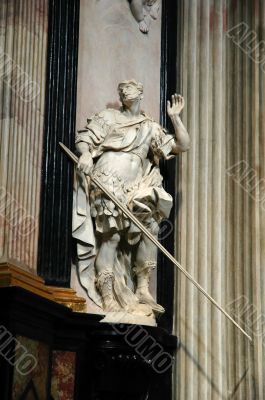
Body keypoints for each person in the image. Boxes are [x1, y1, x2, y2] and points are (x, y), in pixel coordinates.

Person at [73, 79, 190, 321]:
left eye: (130, 86)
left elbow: (182, 145)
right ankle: (107, 295)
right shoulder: (108, 117)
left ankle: (142, 288)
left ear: (140, 92)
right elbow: (84, 139)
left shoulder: (150, 126)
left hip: (136, 186)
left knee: (151, 228)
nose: (123, 90)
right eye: (121, 88)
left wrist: (175, 118)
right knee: (112, 237)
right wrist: (85, 154)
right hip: (107, 180)